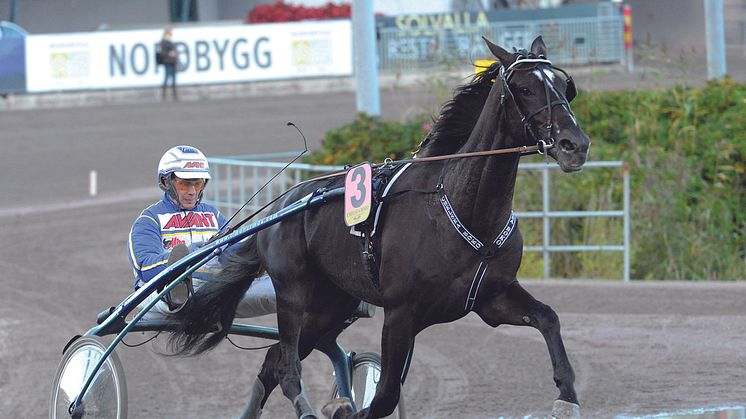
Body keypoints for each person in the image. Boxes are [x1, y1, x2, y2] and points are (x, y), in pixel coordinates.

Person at [128, 145, 276, 319]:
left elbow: (233, 255)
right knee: (178, 284)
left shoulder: (214, 216)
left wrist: (260, 253)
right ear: (166, 182)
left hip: (213, 292)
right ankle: (177, 287)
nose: (192, 192)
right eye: (184, 184)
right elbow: (145, 268)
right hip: (159, 295)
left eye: (197, 183)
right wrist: (189, 255)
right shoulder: (149, 220)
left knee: (280, 288)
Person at [156, 27, 179, 101]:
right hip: (167, 62)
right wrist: (170, 54)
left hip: (173, 62)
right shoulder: (162, 43)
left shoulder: (171, 42)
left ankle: (175, 95)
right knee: (167, 78)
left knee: (174, 79)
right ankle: (164, 95)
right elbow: (162, 53)